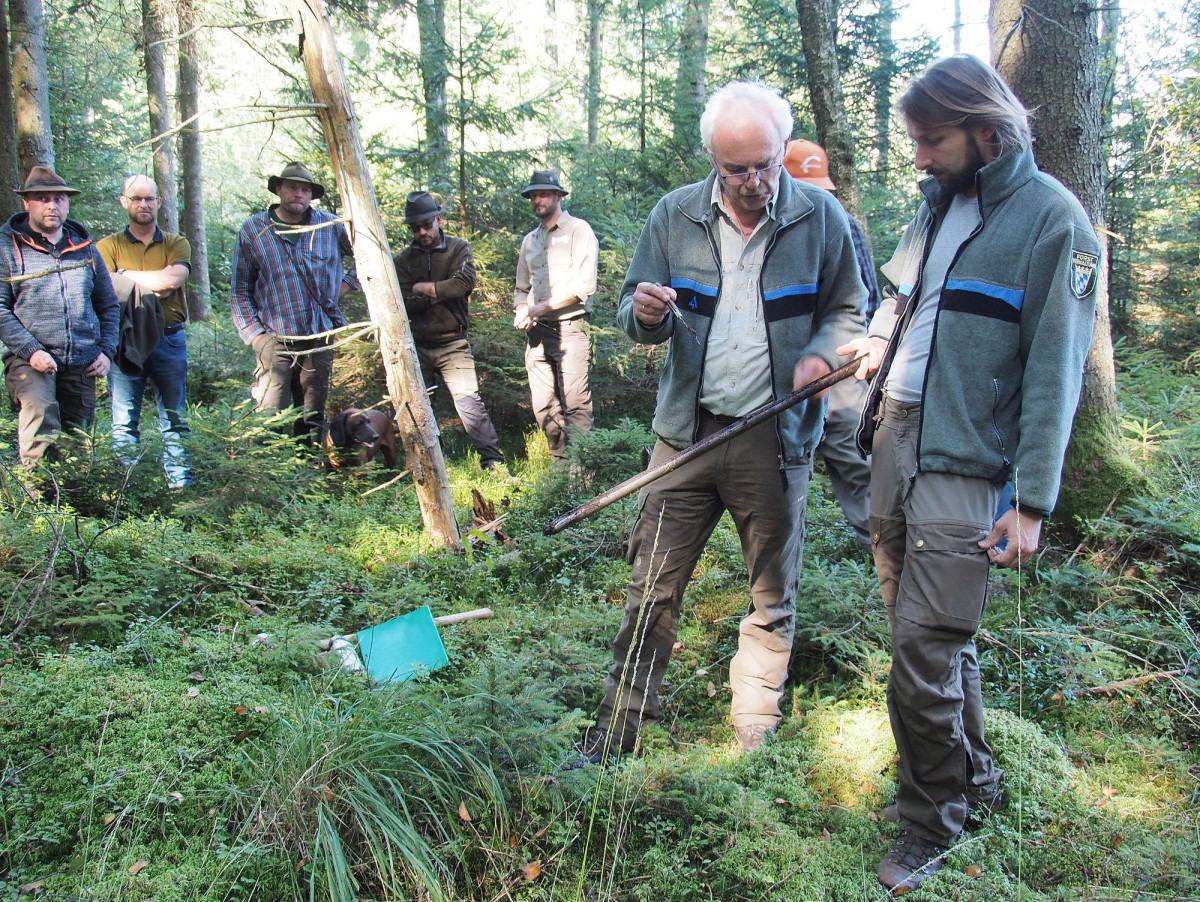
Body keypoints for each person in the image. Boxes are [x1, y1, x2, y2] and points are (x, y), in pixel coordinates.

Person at [835, 55, 1100, 893]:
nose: (917, 155)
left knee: (923, 649)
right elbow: (906, 301)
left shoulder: (1054, 222)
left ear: (987, 129)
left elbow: (1056, 371)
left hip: (968, 463)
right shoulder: (938, 206)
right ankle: (970, 778)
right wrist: (875, 343)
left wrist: (1030, 501)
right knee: (935, 640)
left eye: (930, 139)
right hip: (893, 440)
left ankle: (931, 822)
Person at [582, 82, 866, 762]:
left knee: (772, 595)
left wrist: (823, 353)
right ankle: (618, 731)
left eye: (765, 163)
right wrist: (644, 315)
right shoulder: (675, 215)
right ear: (711, 157)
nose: (753, 181)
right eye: (735, 168)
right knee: (651, 585)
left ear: (780, 151)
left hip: (775, 436)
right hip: (686, 434)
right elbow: (630, 308)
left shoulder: (821, 220)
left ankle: (753, 737)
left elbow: (850, 307)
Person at [783, 139, 881, 552]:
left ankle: (885, 547)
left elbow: (868, 299)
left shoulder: (840, 222)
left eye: (820, 187)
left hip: (842, 364)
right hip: (783, 364)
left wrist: (847, 353)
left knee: (853, 456)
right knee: (779, 462)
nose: (817, 196)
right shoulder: (768, 224)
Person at [0, 166, 119, 470]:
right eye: (42, 198)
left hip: (82, 359)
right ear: (27, 203)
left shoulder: (85, 248)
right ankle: (40, 504)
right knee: (40, 421)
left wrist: (106, 351)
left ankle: (78, 509)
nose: (51, 205)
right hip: (29, 360)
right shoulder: (7, 248)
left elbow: (107, 306)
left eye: (58, 198)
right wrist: (31, 350)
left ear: (67, 203)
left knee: (78, 438)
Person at [230, 162, 358, 439]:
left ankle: (308, 468)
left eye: (305, 189)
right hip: (274, 337)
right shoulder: (255, 229)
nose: (298, 194)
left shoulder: (330, 226)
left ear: (311, 195)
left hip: (319, 333)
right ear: (278, 189)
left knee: (312, 412)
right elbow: (240, 288)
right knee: (269, 412)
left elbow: (367, 257)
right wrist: (255, 336)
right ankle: (267, 473)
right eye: (292, 187)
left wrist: (344, 286)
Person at [393, 190, 505, 470]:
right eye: (416, 227)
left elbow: (463, 284)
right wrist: (443, 291)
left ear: (439, 219)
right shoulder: (403, 260)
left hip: (453, 342)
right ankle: (429, 465)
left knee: (469, 403)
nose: (422, 231)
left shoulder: (458, 248)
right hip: (416, 345)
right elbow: (404, 302)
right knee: (419, 407)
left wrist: (426, 289)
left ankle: (493, 462)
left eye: (426, 224)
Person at [97, 174, 194, 487]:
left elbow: (171, 281)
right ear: (125, 202)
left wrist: (125, 276)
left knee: (174, 417)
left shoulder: (176, 243)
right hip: (124, 341)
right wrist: (147, 281)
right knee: (124, 420)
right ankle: (130, 490)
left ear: (158, 202)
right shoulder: (107, 246)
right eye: (136, 198)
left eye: (149, 198)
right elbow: (107, 289)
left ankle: (181, 485)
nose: (143, 204)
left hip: (169, 337)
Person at [512, 169, 598, 462]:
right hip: (536, 334)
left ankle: (583, 474)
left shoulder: (579, 230)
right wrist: (522, 309)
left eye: (544, 193)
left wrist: (537, 308)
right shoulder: (529, 241)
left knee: (575, 405)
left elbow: (582, 287)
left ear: (559, 196)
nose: (538, 199)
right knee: (543, 406)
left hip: (571, 329)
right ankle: (560, 472)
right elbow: (521, 287)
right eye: (533, 195)